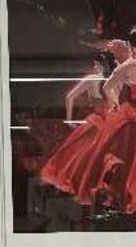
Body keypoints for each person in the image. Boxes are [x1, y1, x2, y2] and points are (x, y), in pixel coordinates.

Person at [70, 0, 136, 213]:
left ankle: (120, 193)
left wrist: (116, 104)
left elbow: (108, 88)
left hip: (132, 112)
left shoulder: (123, 69)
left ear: (129, 47)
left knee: (127, 154)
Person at [39, 51, 116, 194]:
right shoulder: (113, 81)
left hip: (94, 122)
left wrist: (70, 119)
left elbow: (69, 97)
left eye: (95, 64)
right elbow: (114, 106)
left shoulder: (91, 79)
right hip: (108, 123)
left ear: (99, 65)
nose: (94, 66)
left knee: (81, 156)